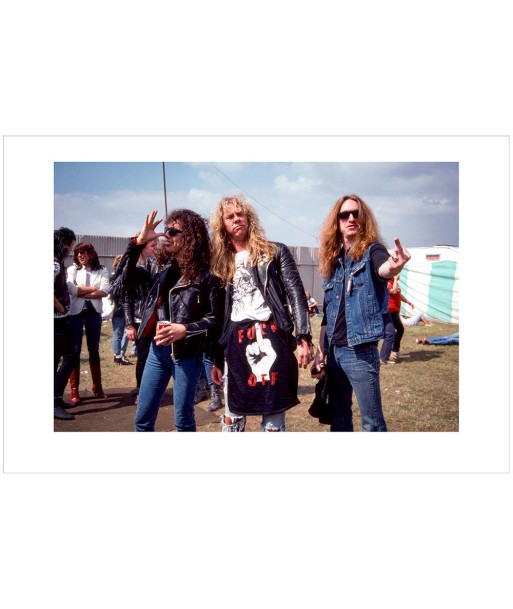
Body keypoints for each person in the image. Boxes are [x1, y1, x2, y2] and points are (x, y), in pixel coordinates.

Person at [210, 195, 314, 432]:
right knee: (233, 416)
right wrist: (215, 359)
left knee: (273, 420)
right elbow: (218, 315)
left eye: (240, 214)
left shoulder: (274, 252)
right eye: (230, 216)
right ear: (222, 224)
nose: (237, 219)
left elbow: (295, 294)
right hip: (235, 343)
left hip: (272, 336)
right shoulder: (220, 262)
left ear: (249, 218)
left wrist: (303, 337)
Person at [313, 194, 411, 432]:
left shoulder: (372, 250)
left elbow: (383, 267)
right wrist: (321, 351)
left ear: (363, 218)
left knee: (372, 424)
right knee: (339, 420)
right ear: (336, 221)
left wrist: (393, 266)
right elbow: (328, 313)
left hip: (360, 352)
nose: (351, 218)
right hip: (335, 353)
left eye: (356, 213)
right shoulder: (333, 259)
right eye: (344, 214)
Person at [123, 209, 223, 432]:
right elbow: (124, 280)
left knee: (183, 421)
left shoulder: (207, 274)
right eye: (165, 230)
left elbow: (216, 319)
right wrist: (137, 244)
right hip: (156, 351)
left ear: (189, 236)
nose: (165, 235)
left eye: (173, 231)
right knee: (142, 418)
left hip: (186, 354)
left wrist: (185, 330)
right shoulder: (156, 265)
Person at [113, 236, 159, 402]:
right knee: (143, 357)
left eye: (157, 245)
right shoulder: (137, 270)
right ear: (143, 248)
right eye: (153, 245)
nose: (156, 248)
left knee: (158, 359)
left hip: (158, 320)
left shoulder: (158, 268)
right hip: (140, 321)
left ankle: (152, 390)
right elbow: (126, 299)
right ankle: (141, 391)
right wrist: (129, 324)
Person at [67, 242, 110, 403]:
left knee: (94, 350)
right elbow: (71, 289)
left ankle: (97, 387)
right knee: (75, 351)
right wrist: (93, 289)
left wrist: (81, 291)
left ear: (91, 253)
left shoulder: (102, 270)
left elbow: (105, 290)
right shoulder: (72, 270)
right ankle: (74, 391)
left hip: (94, 313)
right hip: (75, 314)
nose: (80, 255)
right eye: (77, 253)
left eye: (83, 252)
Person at [54, 227, 78, 420]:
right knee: (70, 357)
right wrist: (61, 309)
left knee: (54, 359)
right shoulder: (54, 264)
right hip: (56, 320)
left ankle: (56, 399)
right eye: (70, 245)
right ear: (64, 244)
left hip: (57, 320)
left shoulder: (55, 263)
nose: (70, 249)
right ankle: (54, 401)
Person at [110, 255, 131, 365]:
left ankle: (120, 354)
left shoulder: (123, 277)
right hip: (119, 311)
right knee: (118, 334)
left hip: (123, 311)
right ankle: (118, 356)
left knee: (125, 334)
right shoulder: (115, 278)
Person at [388, 274, 414, 361]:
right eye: (396, 273)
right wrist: (395, 279)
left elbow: (398, 293)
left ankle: (395, 351)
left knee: (398, 330)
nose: (398, 274)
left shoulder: (394, 282)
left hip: (396, 309)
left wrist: (408, 301)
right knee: (398, 330)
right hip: (390, 309)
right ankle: (393, 351)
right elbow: (393, 291)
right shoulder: (388, 282)